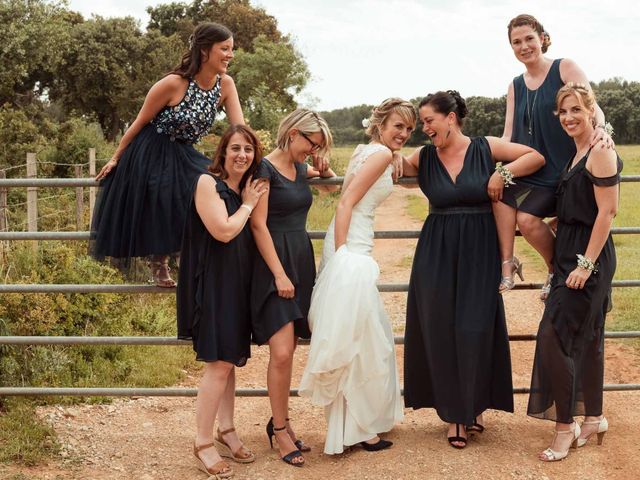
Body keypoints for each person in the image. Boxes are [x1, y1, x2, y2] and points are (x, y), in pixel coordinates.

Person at [402, 90, 545, 449]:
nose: (425, 128)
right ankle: (455, 416)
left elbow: (535, 157)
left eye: (429, 121)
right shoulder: (423, 156)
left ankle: (475, 405)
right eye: (422, 123)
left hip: (480, 250)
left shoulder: (485, 147)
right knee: (439, 327)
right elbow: (387, 165)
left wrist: (503, 174)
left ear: (450, 118)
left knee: (474, 327)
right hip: (436, 251)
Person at [299, 98, 415, 455]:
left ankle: (355, 427)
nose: (404, 134)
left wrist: (394, 154)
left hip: (348, 239)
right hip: (352, 244)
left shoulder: (369, 150)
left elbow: (342, 192)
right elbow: (346, 202)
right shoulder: (379, 155)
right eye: (398, 126)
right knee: (362, 336)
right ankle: (361, 428)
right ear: (381, 123)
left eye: (410, 129)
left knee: (356, 331)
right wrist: (345, 255)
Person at [92, 22, 244, 287]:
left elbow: (239, 129)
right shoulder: (173, 83)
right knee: (166, 190)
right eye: (225, 48)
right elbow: (138, 123)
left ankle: (196, 255)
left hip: (184, 151)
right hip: (151, 148)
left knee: (213, 185)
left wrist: (253, 158)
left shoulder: (226, 85)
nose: (230, 54)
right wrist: (116, 157)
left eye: (232, 49)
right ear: (205, 51)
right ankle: (159, 260)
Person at [527, 83, 620, 462]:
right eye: (563, 112)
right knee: (587, 336)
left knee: (554, 336)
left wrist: (586, 264)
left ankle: (565, 427)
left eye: (576, 110)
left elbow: (607, 212)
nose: (568, 117)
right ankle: (594, 417)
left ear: (590, 111)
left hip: (588, 257)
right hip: (568, 253)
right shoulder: (576, 152)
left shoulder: (599, 152)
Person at [494, 14, 612, 298]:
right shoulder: (515, 85)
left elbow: (591, 106)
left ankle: (554, 270)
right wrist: (493, 164)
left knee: (528, 220)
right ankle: (513, 264)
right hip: (532, 170)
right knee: (499, 198)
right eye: (516, 42)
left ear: (543, 39)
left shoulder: (564, 67)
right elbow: (508, 134)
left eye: (529, 39)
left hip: (564, 172)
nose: (524, 46)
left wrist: (604, 130)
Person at [176, 124, 267, 478]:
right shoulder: (207, 184)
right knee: (218, 362)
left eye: (248, 149)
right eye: (236, 149)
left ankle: (226, 429)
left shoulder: (241, 187)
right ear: (223, 152)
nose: (242, 155)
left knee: (229, 360)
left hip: (239, 282)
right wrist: (248, 204)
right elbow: (224, 231)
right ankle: (202, 443)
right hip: (214, 283)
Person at [250, 109, 335, 467]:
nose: (311, 151)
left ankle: (279, 421)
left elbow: (330, 187)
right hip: (274, 264)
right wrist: (279, 274)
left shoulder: (301, 168)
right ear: (295, 133)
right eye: (311, 144)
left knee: (291, 349)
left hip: (300, 258)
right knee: (282, 351)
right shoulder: (264, 170)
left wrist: (323, 165)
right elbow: (257, 225)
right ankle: (281, 429)